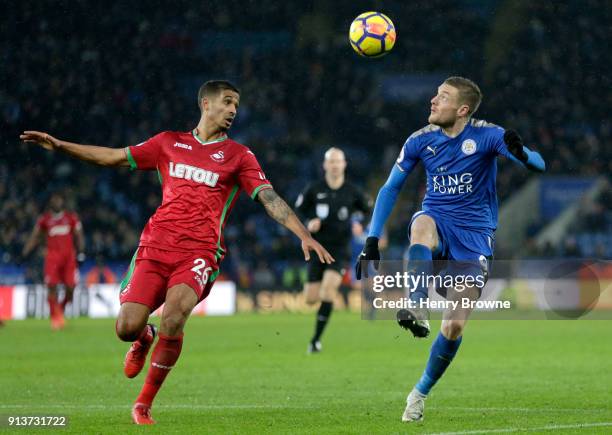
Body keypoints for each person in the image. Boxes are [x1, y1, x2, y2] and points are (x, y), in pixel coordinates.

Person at [20, 80, 334, 425]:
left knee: (174, 316)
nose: (233, 110)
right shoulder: (167, 143)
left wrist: (303, 234)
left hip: (200, 252)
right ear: (206, 104)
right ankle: (143, 337)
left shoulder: (240, 156)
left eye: (236, 106)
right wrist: (59, 145)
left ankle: (143, 405)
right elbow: (113, 157)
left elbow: (269, 197)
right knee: (126, 327)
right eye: (227, 102)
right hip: (155, 246)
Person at [355, 77, 545, 422]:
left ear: (462, 109)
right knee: (420, 225)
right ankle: (415, 306)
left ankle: (419, 392)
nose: (432, 100)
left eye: (442, 97)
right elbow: (390, 188)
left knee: (454, 326)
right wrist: (371, 239)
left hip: (474, 239)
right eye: (435, 94)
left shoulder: (487, 135)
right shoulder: (420, 140)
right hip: (438, 221)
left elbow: (538, 165)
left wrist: (523, 154)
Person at [295, 147, 371, 353]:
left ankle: (315, 340)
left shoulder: (352, 191)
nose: (335, 165)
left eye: (339, 161)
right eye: (332, 162)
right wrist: (309, 220)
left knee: (328, 291)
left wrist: (360, 223)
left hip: (340, 250)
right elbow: (299, 210)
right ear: (325, 165)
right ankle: (321, 310)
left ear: (344, 164)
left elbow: (367, 210)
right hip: (317, 248)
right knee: (310, 299)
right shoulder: (314, 189)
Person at [22, 193, 85, 330]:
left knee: (70, 288)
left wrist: (81, 252)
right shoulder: (44, 220)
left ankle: (60, 311)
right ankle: (55, 318)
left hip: (69, 258)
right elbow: (35, 236)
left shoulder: (71, 218)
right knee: (52, 287)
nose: (57, 202)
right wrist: (25, 252)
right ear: (50, 202)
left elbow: (79, 235)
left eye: (59, 199)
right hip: (52, 258)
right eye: (54, 199)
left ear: (63, 201)